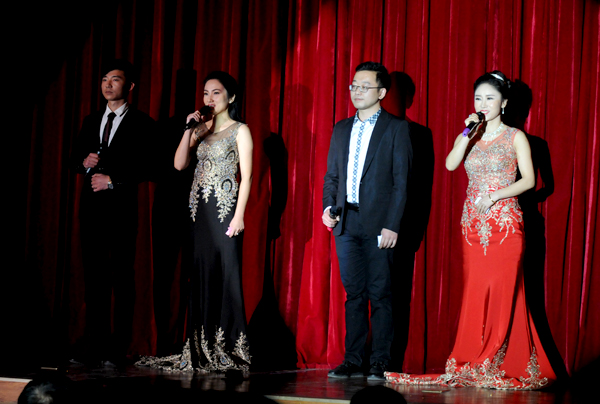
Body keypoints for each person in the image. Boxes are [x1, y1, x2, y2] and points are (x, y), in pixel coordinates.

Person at [386, 71, 556, 389]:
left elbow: (531, 181)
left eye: (490, 98)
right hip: (473, 227)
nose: (483, 104)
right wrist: (467, 132)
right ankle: (473, 355)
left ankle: (498, 359)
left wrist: (495, 196)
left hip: (505, 225)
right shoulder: (470, 134)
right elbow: (451, 164)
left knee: (504, 292)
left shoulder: (515, 137)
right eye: (479, 98)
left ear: (504, 103)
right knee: (476, 291)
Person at [137, 71, 253, 374]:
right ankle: (202, 348)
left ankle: (229, 348)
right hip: (198, 213)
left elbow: (247, 177)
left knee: (226, 276)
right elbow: (179, 164)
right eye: (205, 93)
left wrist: (239, 215)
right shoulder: (200, 129)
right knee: (201, 276)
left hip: (225, 212)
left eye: (216, 92)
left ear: (231, 97)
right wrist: (188, 130)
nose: (209, 98)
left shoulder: (240, 130)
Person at [322, 62, 412, 380]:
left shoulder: (396, 128)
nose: (357, 91)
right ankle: (353, 359)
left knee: (381, 293)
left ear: (382, 92)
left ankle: (381, 361)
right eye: (354, 86)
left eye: (365, 86)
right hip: (346, 222)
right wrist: (328, 207)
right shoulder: (341, 128)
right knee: (354, 294)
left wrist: (393, 224)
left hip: (379, 224)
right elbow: (332, 175)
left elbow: (402, 183)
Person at [71, 59, 155, 365]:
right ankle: (94, 344)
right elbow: (73, 159)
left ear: (129, 86)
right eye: (104, 78)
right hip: (91, 210)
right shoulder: (91, 119)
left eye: (115, 79)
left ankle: (118, 348)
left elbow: (151, 166)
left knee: (122, 276)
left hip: (121, 211)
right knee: (94, 277)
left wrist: (113, 180)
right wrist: (84, 163)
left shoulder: (142, 122)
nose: (108, 84)